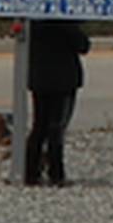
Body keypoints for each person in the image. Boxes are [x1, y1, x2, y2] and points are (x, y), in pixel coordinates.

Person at [24, 14, 89, 187]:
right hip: (64, 80)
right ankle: (56, 174)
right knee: (57, 128)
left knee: (39, 127)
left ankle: (31, 172)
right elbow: (83, 45)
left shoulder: (33, 20)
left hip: (39, 78)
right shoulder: (65, 20)